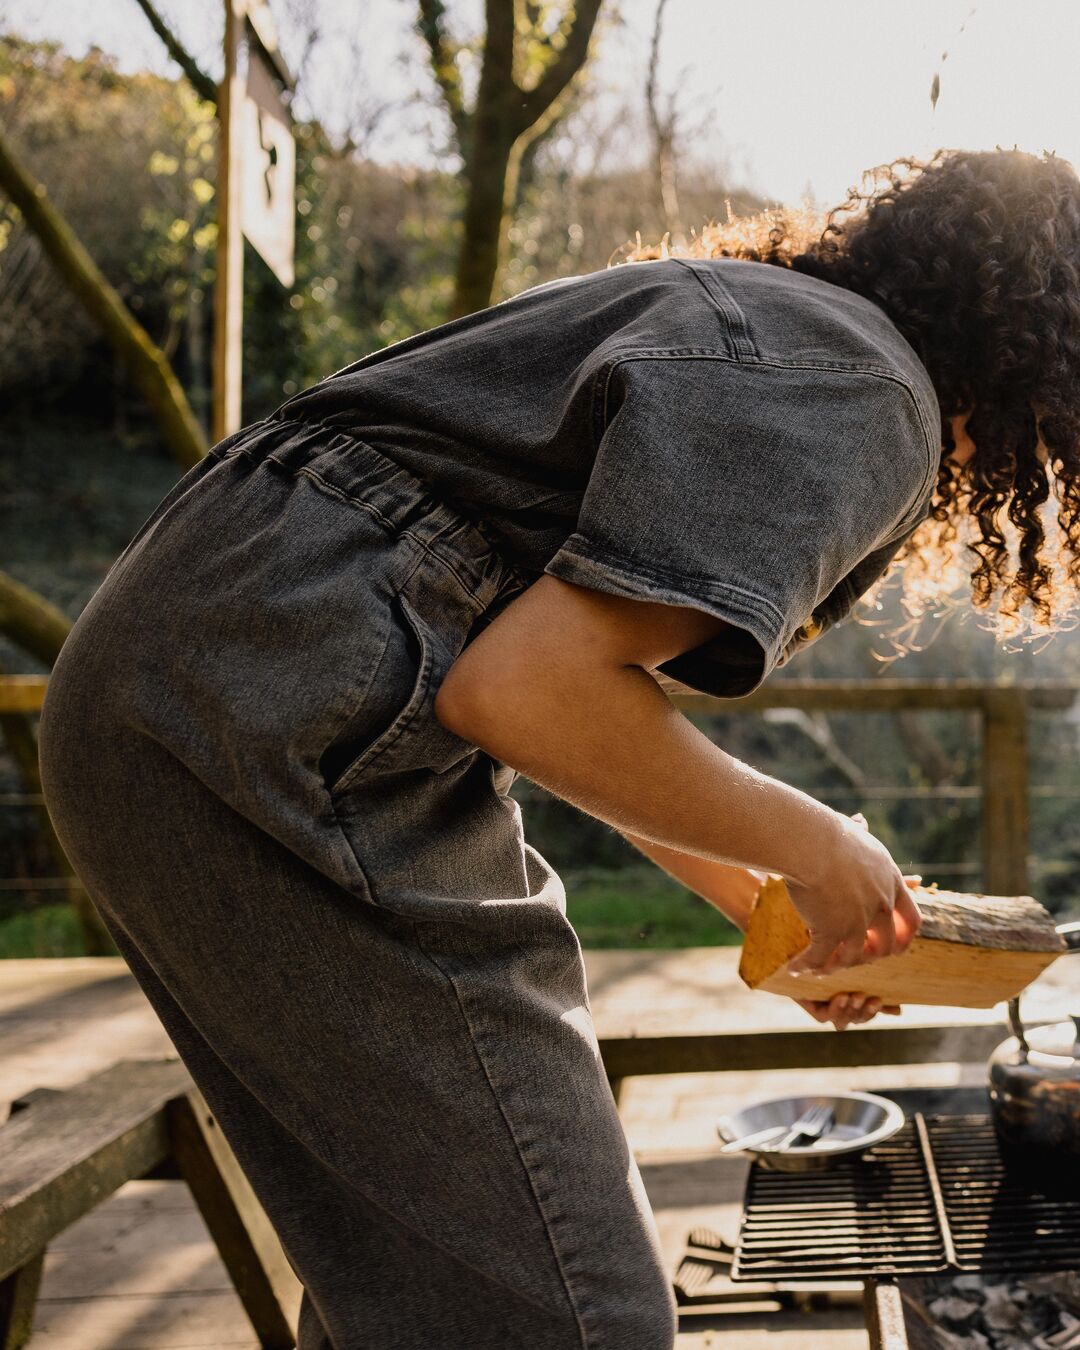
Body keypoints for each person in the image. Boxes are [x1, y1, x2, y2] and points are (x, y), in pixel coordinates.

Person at [37, 146, 1080, 1349]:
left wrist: (761, 896)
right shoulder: (867, 389)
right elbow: (523, 692)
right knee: (578, 1320)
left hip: (165, 674)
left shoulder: (753, 320)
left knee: (428, 1280)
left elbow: (573, 703)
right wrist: (819, 836)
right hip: (281, 705)